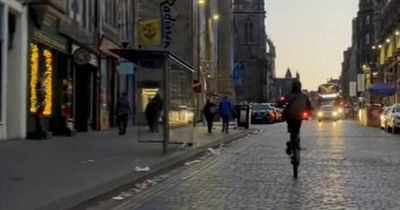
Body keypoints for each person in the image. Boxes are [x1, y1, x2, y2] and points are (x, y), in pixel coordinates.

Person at [283, 80, 312, 155]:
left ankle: (289, 129)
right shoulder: (304, 96)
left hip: (290, 116)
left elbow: (282, 102)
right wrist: (310, 111)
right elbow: (309, 106)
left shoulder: (289, 96)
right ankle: (294, 141)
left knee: (288, 119)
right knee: (296, 128)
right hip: (299, 116)